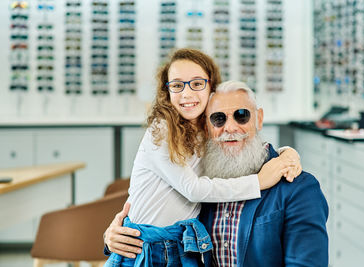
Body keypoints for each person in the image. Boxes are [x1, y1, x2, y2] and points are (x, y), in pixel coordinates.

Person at [103, 49, 303, 266]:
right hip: (147, 247)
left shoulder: (209, 128)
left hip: (184, 245)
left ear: (211, 87)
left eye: (197, 84)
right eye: (177, 85)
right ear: (166, 91)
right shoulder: (160, 130)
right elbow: (193, 189)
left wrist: (286, 153)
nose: (187, 94)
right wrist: (259, 182)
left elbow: (243, 145)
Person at [198, 80, 328, 266]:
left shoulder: (299, 188)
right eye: (218, 119)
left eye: (241, 116)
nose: (230, 128)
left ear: (259, 119)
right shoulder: (200, 184)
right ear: (207, 126)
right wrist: (140, 237)